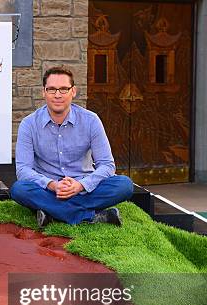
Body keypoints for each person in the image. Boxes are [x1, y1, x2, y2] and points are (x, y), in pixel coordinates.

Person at [10, 66, 133, 227]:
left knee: (124, 185)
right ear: (44, 92)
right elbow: (23, 170)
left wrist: (80, 185)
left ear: (73, 91)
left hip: (85, 187)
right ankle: (90, 216)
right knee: (19, 189)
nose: (58, 95)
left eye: (63, 89)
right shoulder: (29, 124)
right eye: (52, 89)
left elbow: (107, 165)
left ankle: (53, 213)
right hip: (49, 190)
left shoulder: (91, 120)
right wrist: (53, 185)